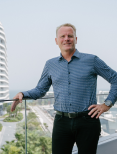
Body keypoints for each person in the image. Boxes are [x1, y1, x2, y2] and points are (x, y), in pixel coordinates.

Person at [11, 23, 117, 154]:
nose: (66, 39)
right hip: (61, 122)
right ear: (57, 41)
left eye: (70, 36)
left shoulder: (92, 60)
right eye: (62, 36)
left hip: (88, 121)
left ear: (76, 39)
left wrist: (107, 104)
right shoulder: (50, 64)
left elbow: (115, 78)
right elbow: (40, 89)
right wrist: (23, 93)